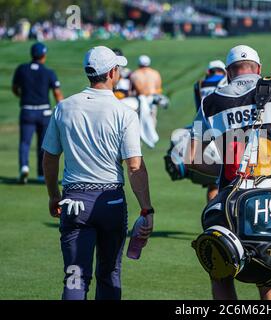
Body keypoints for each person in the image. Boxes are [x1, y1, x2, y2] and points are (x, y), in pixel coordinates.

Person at [190, 45, 271, 300]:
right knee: (269, 275)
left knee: (221, 268)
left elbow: (192, 158)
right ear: (259, 69)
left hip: (231, 202)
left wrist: (230, 166)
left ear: (229, 73)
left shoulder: (210, 102)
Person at [42, 46, 155, 300]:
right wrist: (146, 209)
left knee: (74, 278)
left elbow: (50, 158)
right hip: (111, 201)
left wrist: (53, 195)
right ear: (112, 72)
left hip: (73, 201)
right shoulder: (124, 112)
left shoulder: (64, 107)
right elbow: (134, 166)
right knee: (109, 275)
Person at [12, 42, 63, 184]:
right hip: (44, 113)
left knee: (24, 142)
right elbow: (57, 93)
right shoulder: (48, 72)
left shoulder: (21, 69)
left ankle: (24, 167)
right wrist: (63, 110)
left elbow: (15, 88)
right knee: (43, 144)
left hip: (27, 110)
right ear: (43, 55)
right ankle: (41, 174)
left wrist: (21, 96)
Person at [194, 60, 227, 202]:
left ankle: (213, 215)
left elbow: (198, 111)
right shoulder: (226, 81)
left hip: (205, 134)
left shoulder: (199, 84)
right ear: (224, 71)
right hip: (224, 133)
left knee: (213, 183)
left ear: (209, 71)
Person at [129, 55, 163, 125]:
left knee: (140, 124)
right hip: (152, 101)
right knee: (152, 123)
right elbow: (159, 89)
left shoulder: (134, 74)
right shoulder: (155, 73)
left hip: (140, 102)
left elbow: (131, 91)